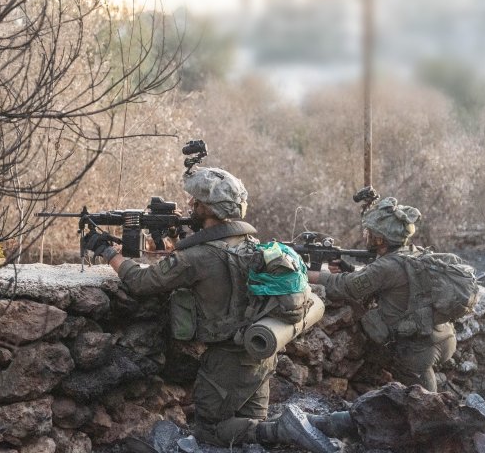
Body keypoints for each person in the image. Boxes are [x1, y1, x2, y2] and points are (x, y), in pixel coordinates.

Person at [82, 167, 337, 453]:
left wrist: (108, 252)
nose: (191, 206)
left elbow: (141, 282)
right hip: (259, 354)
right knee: (250, 432)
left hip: (225, 360)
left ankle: (287, 427)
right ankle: (332, 423)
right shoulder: (250, 245)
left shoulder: (198, 257)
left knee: (212, 432)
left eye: (197, 202)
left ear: (210, 208)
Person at [307, 197, 456, 392]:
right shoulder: (412, 253)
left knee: (424, 404)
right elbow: (381, 280)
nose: (366, 235)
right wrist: (350, 269)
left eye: (370, 233)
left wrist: (311, 275)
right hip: (442, 335)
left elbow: (347, 286)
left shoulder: (387, 266)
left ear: (381, 238)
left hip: (419, 349)